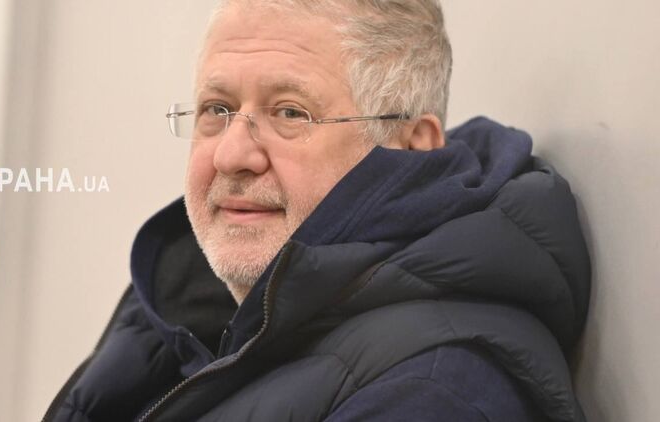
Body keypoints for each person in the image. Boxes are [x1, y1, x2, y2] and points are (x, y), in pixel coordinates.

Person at [45, 1, 590, 421]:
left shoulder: (434, 392)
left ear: (412, 147)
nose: (231, 154)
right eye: (217, 109)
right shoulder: (179, 303)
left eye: (290, 113)